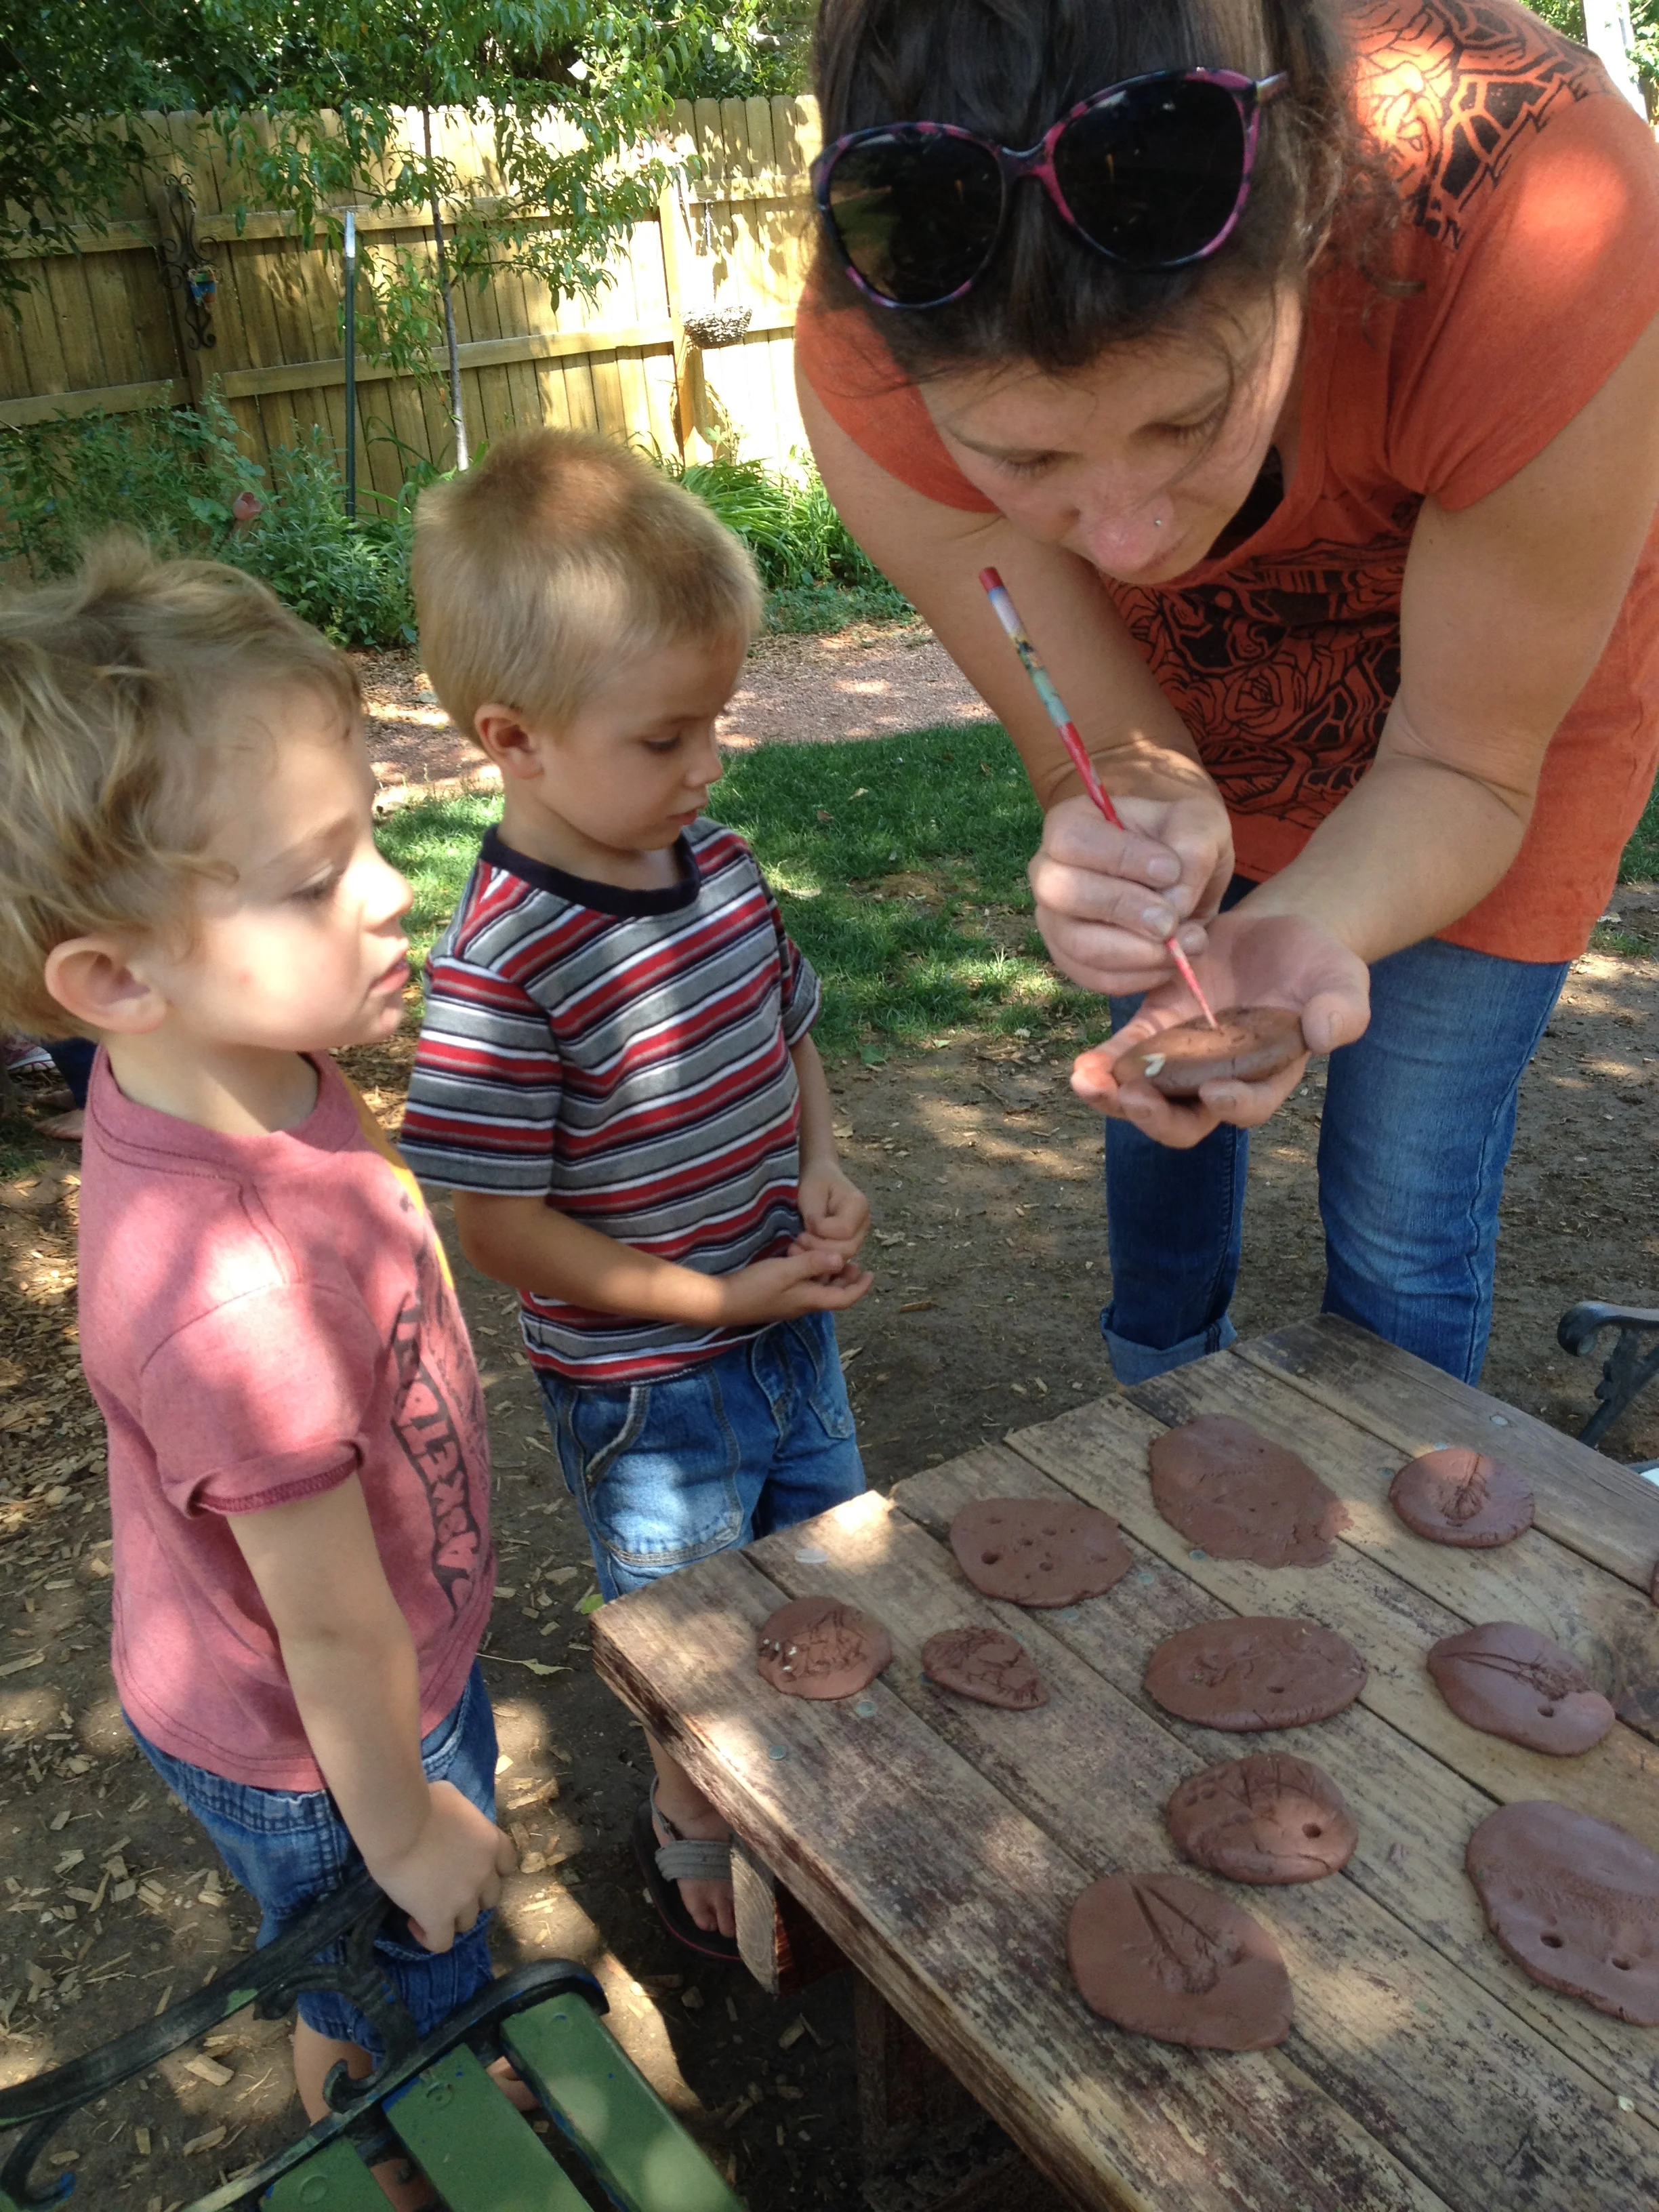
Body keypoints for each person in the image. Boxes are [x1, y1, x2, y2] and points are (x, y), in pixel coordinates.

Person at [796, 0, 1659, 1388]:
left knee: (1401, 1199)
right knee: (1164, 1101)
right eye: (1025, 463)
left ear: (1315, 223)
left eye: (1185, 422)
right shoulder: (870, 370)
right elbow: (1116, 743)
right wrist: (1140, 791)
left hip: (1493, 725)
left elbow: (1464, 761)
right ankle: (1164, 1415)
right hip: (1221, 702)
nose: (1129, 543)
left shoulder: (1554, 219)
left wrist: (1309, 917)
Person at [0, 541, 513, 2211]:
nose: (387, 891)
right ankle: (409, 2138)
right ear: (115, 981)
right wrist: (410, 1831)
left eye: (366, 833)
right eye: (313, 880)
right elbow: (329, 1627)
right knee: (395, 1974)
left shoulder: (252, 1058)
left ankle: (408, 2054)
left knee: (394, 1964)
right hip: (323, 1743)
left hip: (386, 1680)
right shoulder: (231, 1300)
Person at [399, 428, 872, 1958]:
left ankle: (828, 1805)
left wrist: (826, 1162)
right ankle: (697, 1843)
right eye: (666, 738)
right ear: (514, 737)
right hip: (650, 1392)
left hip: (786, 1332)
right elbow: (501, 1231)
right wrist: (713, 1300)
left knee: (831, 1579)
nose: (708, 766)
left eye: (716, 726)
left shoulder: (718, 863)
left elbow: (786, 1030)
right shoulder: (499, 969)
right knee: (692, 1650)